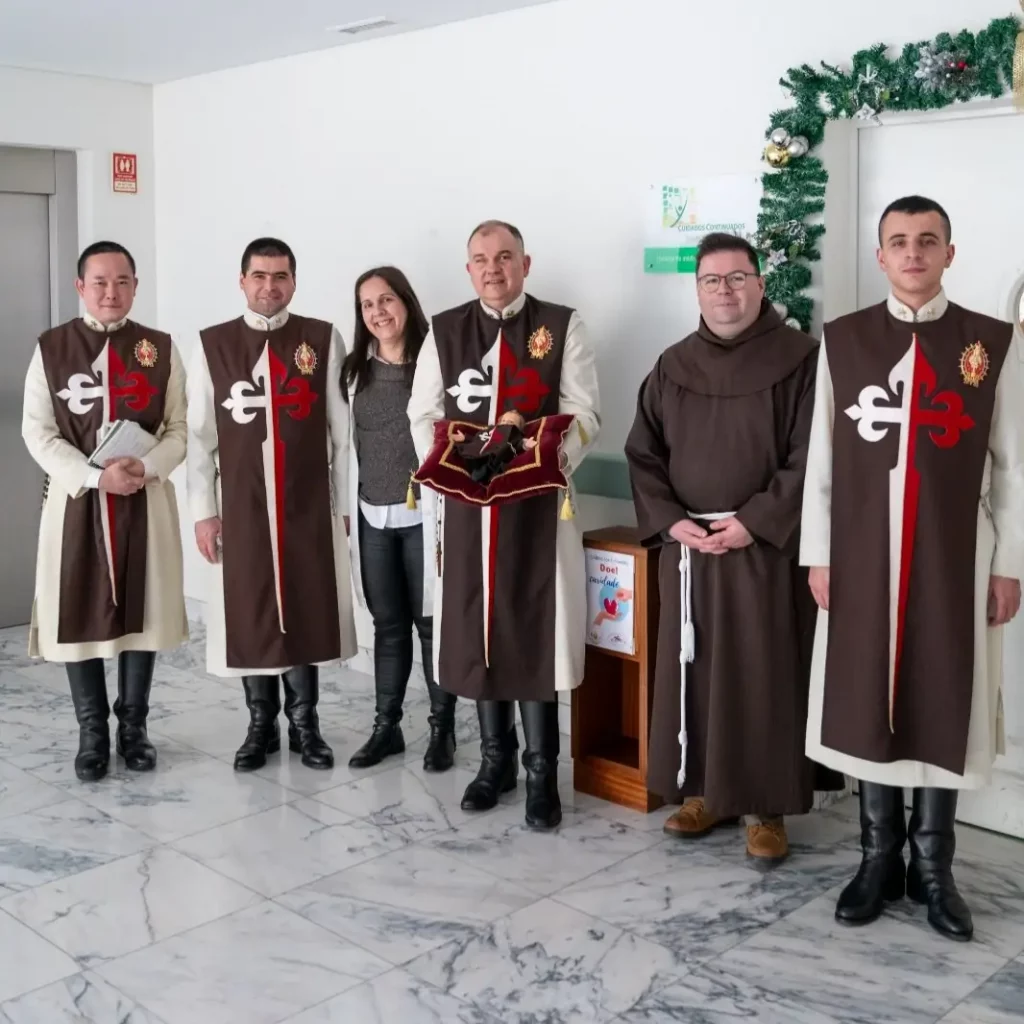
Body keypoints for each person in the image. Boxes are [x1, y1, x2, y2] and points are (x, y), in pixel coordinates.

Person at [801, 195, 1024, 940]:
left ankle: (933, 868)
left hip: (958, 557)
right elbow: (823, 465)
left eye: (928, 241)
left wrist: (1010, 566)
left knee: (941, 697)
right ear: (880, 256)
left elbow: (1014, 467)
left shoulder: (993, 342)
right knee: (867, 691)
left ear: (950, 253)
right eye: (899, 242)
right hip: (861, 554)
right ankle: (876, 860)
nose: (913, 254)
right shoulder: (846, 339)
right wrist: (819, 554)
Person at [625, 232, 843, 862]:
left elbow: (814, 456)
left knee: (760, 674)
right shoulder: (671, 365)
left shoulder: (802, 359)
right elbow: (644, 455)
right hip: (689, 548)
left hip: (765, 549)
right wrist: (671, 522)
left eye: (736, 278)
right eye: (712, 280)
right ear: (697, 289)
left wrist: (756, 520)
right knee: (691, 670)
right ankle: (702, 793)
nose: (725, 290)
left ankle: (763, 806)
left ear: (760, 283)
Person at [408, 220, 600, 829]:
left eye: (505, 257)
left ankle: (544, 771)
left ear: (526, 262)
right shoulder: (444, 330)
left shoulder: (563, 326)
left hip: (538, 507)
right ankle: (496, 764)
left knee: (532, 630)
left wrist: (531, 454)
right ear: (469, 270)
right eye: (481, 259)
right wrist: (465, 460)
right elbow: (423, 414)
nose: (493, 268)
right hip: (466, 508)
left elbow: (584, 412)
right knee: (477, 631)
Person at [187, 237, 357, 772]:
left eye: (280, 276)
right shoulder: (213, 345)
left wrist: (343, 506)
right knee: (253, 613)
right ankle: (260, 725)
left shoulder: (322, 340)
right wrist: (204, 511)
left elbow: (343, 434)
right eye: (259, 276)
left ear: (294, 281)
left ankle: (306, 726)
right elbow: (198, 439)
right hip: (242, 509)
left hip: (307, 507)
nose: (270, 286)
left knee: (304, 610)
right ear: (242, 281)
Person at [21, 240, 188, 781]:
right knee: (79, 616)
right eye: (100, 282)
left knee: (144, 617)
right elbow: (38, 433)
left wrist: (146, 468)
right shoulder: (52, 348)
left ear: (136, 286)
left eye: (122, 282)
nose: (111, 292)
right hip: (76, 506)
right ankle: (92, 732)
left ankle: (133, 729)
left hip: (144, 500)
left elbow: (179, 429)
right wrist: (96, 477)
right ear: (80, 287)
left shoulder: (160, 348)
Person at [342, 266, 457, 773]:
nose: (378, 312)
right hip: (373, 517)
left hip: (424, 518)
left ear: (406, 303)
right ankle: (386, 728)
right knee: (387, 626)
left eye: (386, 300)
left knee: (431, 625)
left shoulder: (437, 365)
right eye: (367, 305)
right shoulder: (353, 372)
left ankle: (442, 731)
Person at [453, 410, 538, 485]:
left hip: (492, 462)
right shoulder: (491, 430)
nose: (506, 423)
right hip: (476, 457)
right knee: (462, 455)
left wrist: (525, 445)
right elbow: (480, 440)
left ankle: (482, 475)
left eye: (511, 422)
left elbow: (518, 443)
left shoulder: (513, 434)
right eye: (503, 421)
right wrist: (465, 438)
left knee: (478, 474)